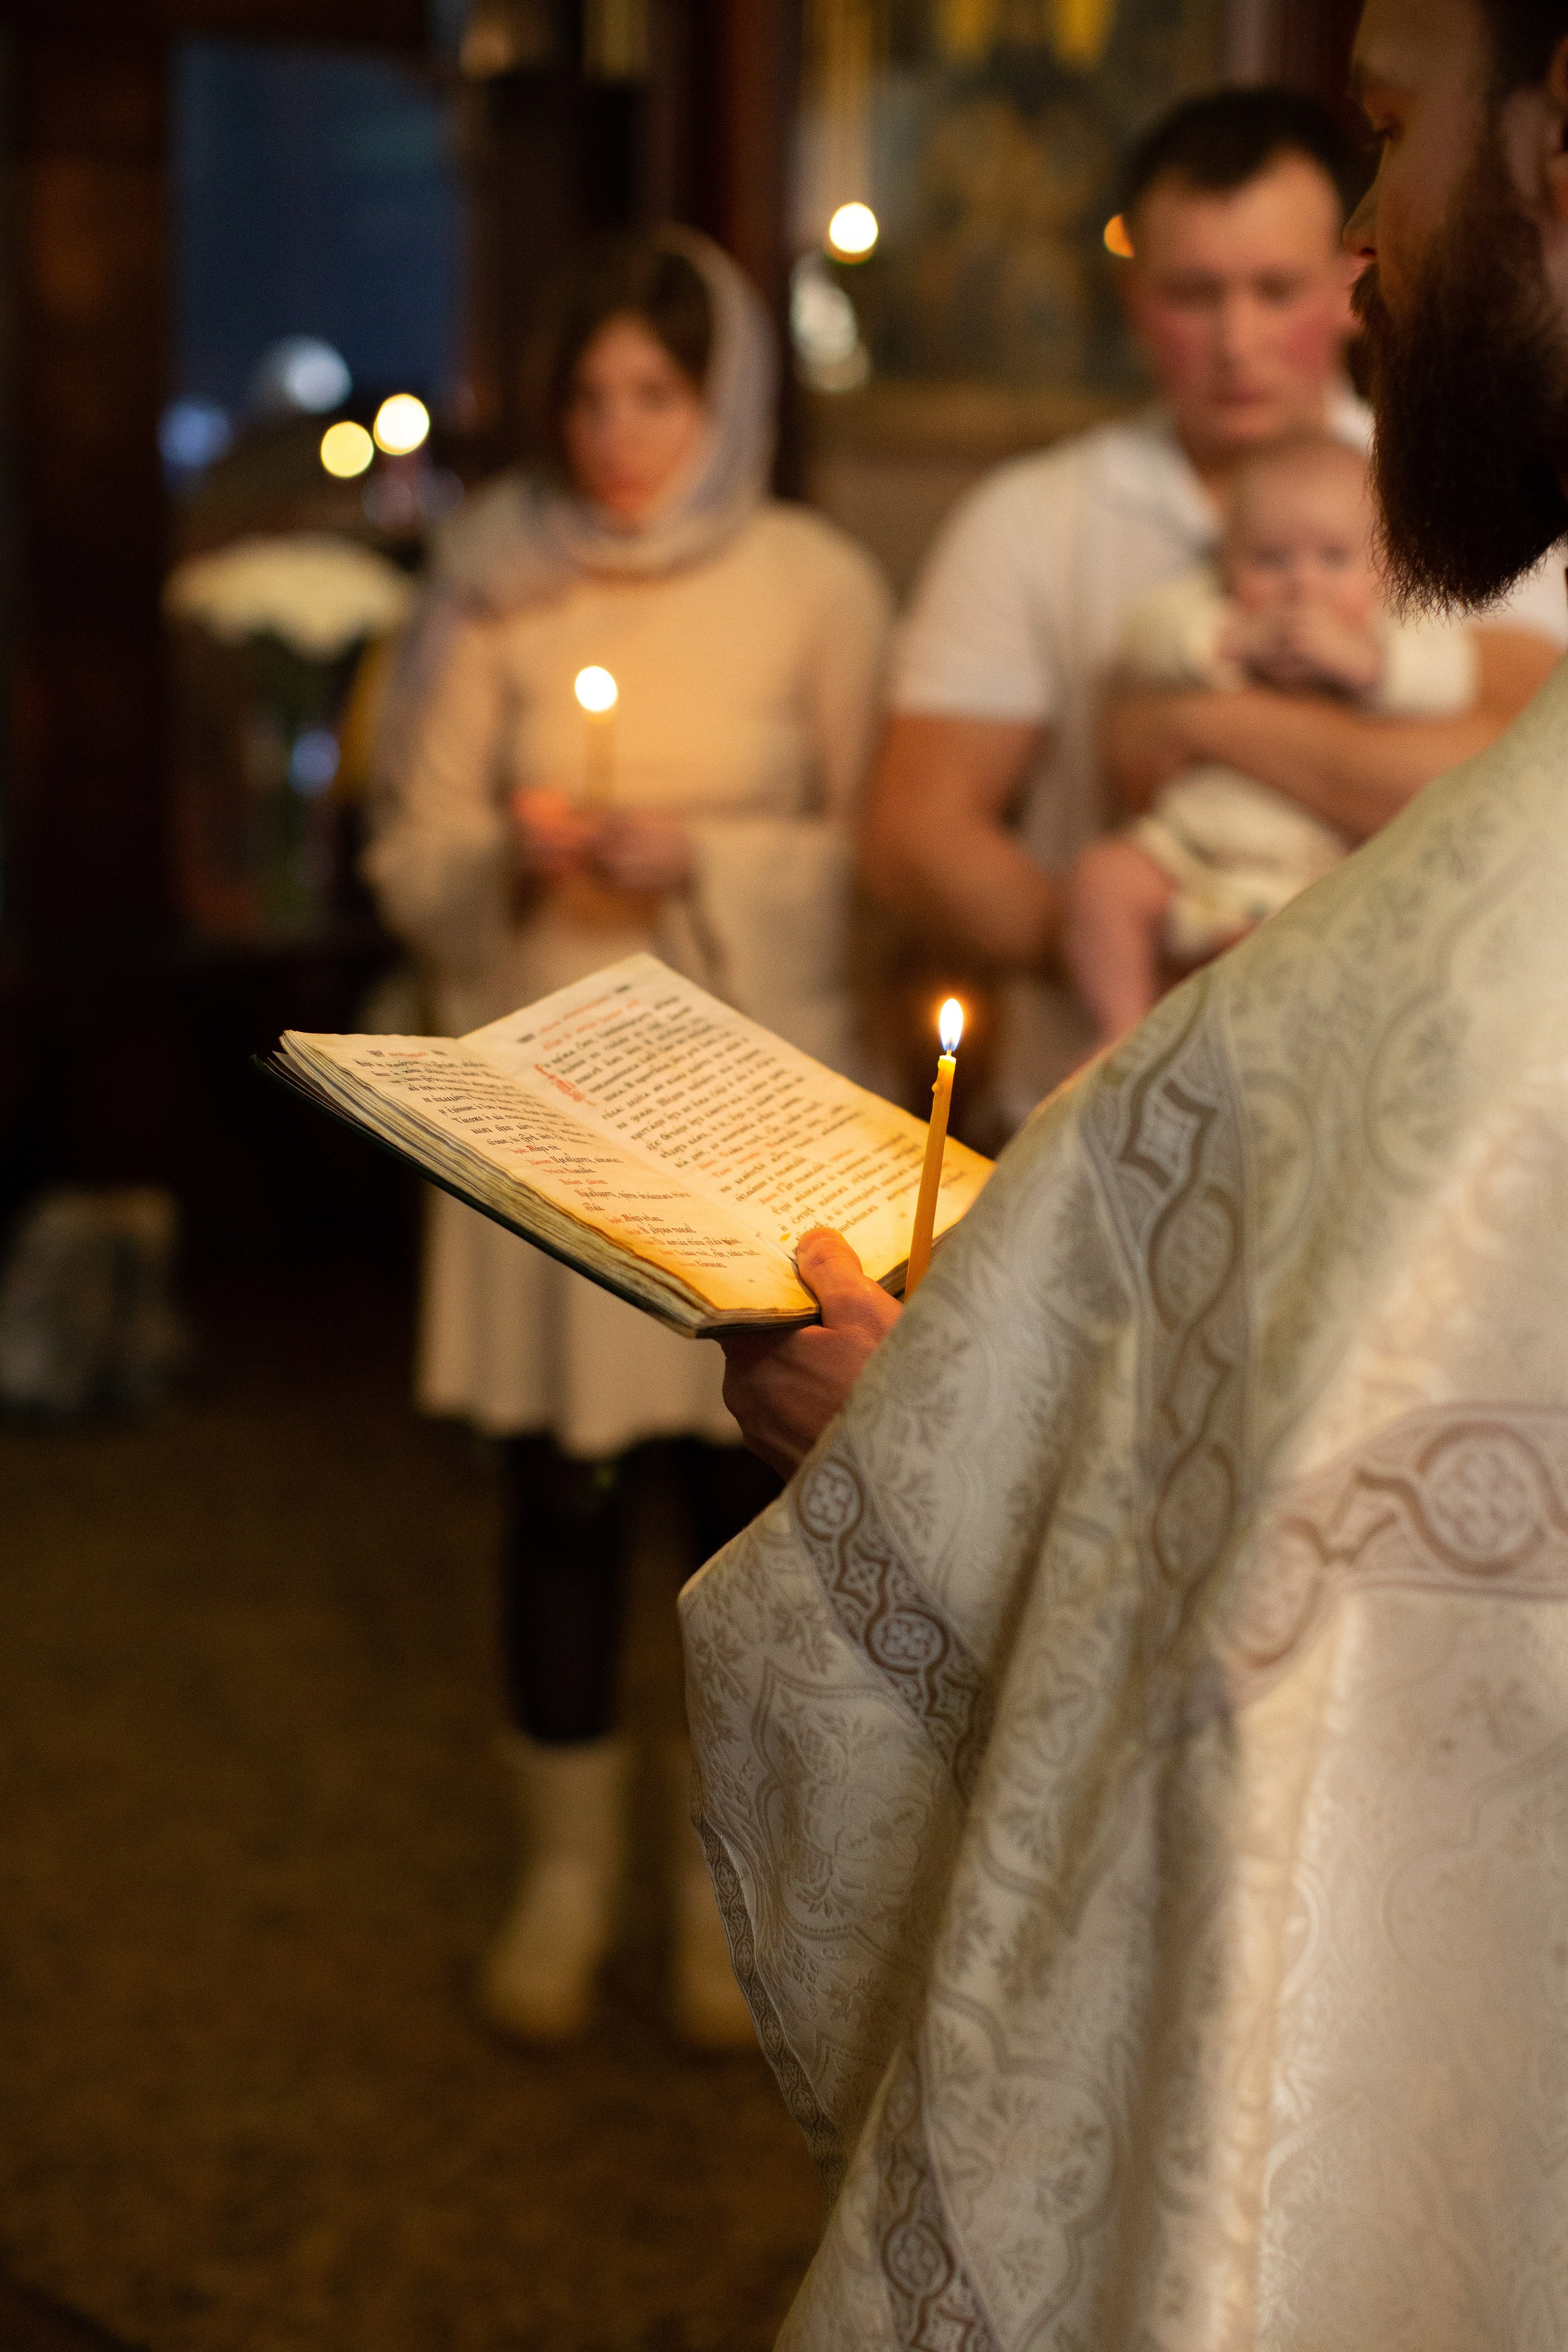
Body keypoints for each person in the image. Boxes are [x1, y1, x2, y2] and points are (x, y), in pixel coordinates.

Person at [684, 3, 1568, 2337]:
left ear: (1559, 147)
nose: (1361, 261)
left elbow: (1307, 1632)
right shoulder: (1043, 537)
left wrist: (914, 1447)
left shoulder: (1447, 982)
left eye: (1385, 138)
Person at [364, 227, 891, 2049]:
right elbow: (406, 848)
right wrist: (507, 855)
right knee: (559, 1500)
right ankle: (566, 1871)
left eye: (653, 395)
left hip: (750, 1115)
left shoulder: (814, 583)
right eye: (585, 395)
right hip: (551, 1112)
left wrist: (711, 860)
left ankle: (712, 1883)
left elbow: (868, 851)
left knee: (740, 1509)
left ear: (721, 395)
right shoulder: (495, 580)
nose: (615, 435)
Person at [860, 85, 1566, 1127]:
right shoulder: (1030, 517)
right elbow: (916, 833)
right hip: (1097, 1110)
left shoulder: (1463, 488)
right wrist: (1133, 947)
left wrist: (1191, 723)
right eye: (1195, 293)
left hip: (1370, 1106)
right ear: (1137, 296)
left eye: (1276, 289)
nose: (1238, 339)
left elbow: (1518, 781)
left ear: (1347, 281)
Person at [1065, 431, 1477, 1044]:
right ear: (1226, 561)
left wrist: (1369, 665)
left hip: (1312, 873)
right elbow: (1143, 637)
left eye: (1334, 559)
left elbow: (1452, 677)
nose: (1301, 585)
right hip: (1190, 850)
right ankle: (1119, 1034)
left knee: (1350, 948)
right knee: (1102, 880)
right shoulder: (1211, 608)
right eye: (1270, 560)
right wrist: (1228, 640)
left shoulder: (1395, 628)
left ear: (1385, 567)